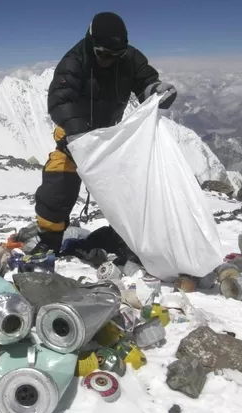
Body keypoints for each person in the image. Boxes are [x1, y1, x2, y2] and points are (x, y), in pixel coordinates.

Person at [32, 11, 178, 255]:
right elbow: (60, 100)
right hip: (73, 138)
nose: (108, 60)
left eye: (116, 55)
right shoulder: (74, 62)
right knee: (58, 184)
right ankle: (49, 240)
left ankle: (129, 238)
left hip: (110, 138)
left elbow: (145, 82)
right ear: (91, 42)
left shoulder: (130, 58)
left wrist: (156, 91)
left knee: (130, 187)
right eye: (103, 54)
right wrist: (78, 135)